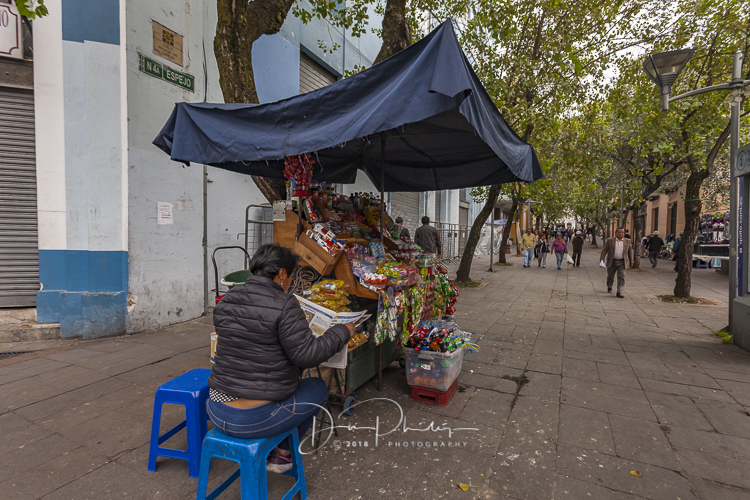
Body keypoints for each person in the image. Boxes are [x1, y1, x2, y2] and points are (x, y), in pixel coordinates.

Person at [207, 244, 355, 473]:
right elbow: (308, 355)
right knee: (317, 387)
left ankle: (275, 449)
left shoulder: (228, 298)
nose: (290, 281)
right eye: (291, 275)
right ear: (282, 273)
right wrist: (343, 331)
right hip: (252, 420)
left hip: (217, 410)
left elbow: (247, 339)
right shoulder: (284, 303)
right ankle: (283, 455)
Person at [600, 227, 633, 298]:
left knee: (621, 277)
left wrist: (631, 261)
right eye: (619, 232)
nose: (620, 234)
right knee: (610, 276)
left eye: (622, 232)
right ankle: (609, 286)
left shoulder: (628, 241)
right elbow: (604, 250)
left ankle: (619, 291)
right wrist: (602, 258)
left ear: (624, 234)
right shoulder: (610, 240)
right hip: (612, 261)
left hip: (622, 262)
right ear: (616, 233)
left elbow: (630, 252)